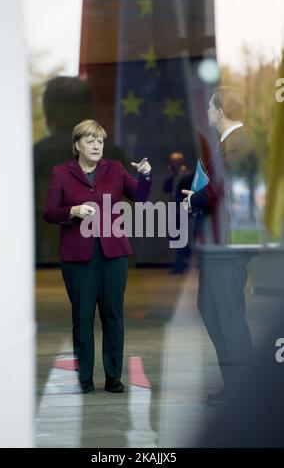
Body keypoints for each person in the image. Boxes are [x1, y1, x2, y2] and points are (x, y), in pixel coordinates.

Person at [44, 119, 152, 393]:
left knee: (113, 316)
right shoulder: (61, 173)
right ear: (77, 145)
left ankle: (113, 376)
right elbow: (49, 212)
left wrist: (146, 176)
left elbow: (139, 197)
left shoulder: (114, 169)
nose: (96, 145)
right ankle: (85, 378)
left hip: (113, 254)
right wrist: (73, 211)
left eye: (100, 141)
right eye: (90, 140)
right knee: (82, 317)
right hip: (77, 257)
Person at [182, 86, 258, 405]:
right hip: (221, 244)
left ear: (220, 110)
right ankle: (237, 389)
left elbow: (221, 187)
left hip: (227, 244)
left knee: (227, 315)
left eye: (211, 109)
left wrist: (195, 199)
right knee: (213, 310)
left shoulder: (238, 144)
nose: (208, 114)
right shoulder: (230, 144)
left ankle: (243, 393)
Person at [35, 76, 129, 265]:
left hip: (48, 262)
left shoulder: (36, 156)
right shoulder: (114, 154)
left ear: (49, 112)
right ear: (90, 110)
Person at [162, 152, 194, 274]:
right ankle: (188, 255)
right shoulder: (172, 175)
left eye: (175, 161)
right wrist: (169, 176)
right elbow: (165, 189)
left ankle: (179, 266)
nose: (173, 163)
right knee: (174, 236)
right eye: (172, 161)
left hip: (183, 209)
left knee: (180, 238)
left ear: (181, 161)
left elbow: (190, 190)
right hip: (173, 208)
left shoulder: (187, 174)